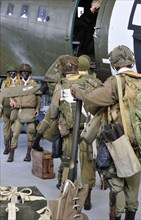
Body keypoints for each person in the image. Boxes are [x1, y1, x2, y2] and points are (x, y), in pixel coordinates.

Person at [70, 45, 141, 220]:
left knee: (117, 185)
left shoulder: (116, 81)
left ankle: (117, 215)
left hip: (116, 141)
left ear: (114, 63)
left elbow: (93, 98)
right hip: (136, 141)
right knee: (133, 182)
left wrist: (77, 90)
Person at [32, 55, 102, 210]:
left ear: (62, 69)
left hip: (69, 130)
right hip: (88, 130)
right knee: (88, 162)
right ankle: (87, 197)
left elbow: (54, 111)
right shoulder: (92, 82)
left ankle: (66, 195)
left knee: (68, 162)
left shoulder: (61, 86)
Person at [7, 64, 41, 162]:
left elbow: (38, 98)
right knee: (15, 134)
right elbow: (10, 93)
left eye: (26, 72)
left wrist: (37, 108)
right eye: (22, 72)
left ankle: (28, 154)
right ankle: (11, 153)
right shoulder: (18, 83)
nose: (24, 73)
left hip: (30, 111)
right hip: (20, 111)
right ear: (20, 73)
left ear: (29, 73)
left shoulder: (34, 83)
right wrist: (11, 100)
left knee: (31, 132)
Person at [0, 65, 21, 155]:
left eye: (13, 72)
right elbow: (2, 94)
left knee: (14, 129)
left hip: (15, 108)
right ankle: (6, 146)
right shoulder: (4, 82)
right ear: (8, 74)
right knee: (6, 130)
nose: (12, 74)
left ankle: (12, 146)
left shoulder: (19, 83)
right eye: (10, 72)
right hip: (6, 108)